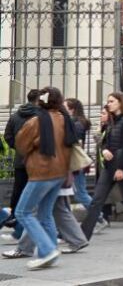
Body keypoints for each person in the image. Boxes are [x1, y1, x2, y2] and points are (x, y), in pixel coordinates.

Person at [11, 87, 75, 270]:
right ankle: (51, 250)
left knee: (22, 212)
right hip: (59, 172)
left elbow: (21, 144)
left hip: (41, 172)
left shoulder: (37, 121)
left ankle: (47, 250)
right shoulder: (64, 118)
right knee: (45, 213)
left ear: (41, 101)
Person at [80, 92, 123, 242]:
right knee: (97, 199)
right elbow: (105, 141)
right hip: (109, 167)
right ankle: (82, 236)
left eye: (111, 101)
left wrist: (121, 169)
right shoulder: (112, 122)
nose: (108, 103)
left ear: (120, 103)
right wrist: (104, 149)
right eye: (108, 101)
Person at [4, 89, 40, 240]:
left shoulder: (15, 115)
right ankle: (24, 228)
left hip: (20, 160)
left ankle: (16, 222)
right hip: (36, 161)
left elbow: (7, 136)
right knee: (34, 195)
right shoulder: (40, 116)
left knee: (18, 193)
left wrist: (18, 148)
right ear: (38, 100)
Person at [64, 98, 92, 208]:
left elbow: (78, 143)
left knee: (80, 194)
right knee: (77, 193)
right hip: (75, 162)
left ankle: (98, 216)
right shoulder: (75, 123)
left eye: (65, 107)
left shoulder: (77, 124)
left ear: (72, 110)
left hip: (76, 162)